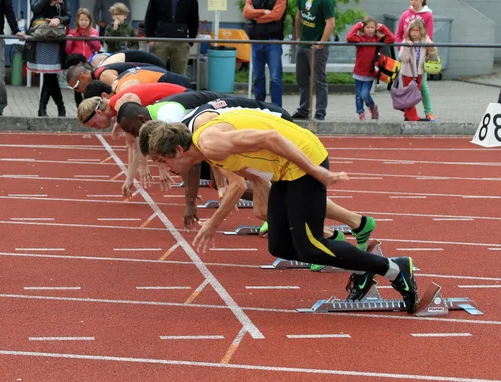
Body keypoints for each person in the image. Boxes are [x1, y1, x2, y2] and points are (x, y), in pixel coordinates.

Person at [140, 110, 419, 313]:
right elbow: (252, 172)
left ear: (178, 149)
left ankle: (395, 269)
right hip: (284, 171)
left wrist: (316, 171)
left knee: (311, 248)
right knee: (280, 244)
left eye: (165, 162)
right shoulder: (207, 151)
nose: (167, 170)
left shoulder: (211, 142)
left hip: (302, 159)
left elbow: (271, 137)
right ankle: (362, 267)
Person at [25, 0, 71, 118]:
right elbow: (35, 9)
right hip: (41, 37)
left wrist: (59, 19)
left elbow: (68, 16)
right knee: (49, 75)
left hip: (56, 38)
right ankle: (59, 108)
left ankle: (44, 109)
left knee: (50, 75)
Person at [292, 0, 335, 121]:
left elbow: (330, 23)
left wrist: (321, 43)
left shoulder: (326, 2)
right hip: (303, 44)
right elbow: (299, 15)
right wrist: (298, 37)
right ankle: (304, 109)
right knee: (302, 78)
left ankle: (320, 111)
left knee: (319, 79)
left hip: (317, 45)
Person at [346, 16, 395, 121]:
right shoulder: (359, 39)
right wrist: (358, 26)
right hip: (359, 71)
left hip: (370, 72)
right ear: (363, 28)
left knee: (364, 94)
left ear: (375, 28)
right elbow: (349, 37)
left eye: (372, 27)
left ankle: (372, 107)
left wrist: (383, 28)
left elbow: (392, 39)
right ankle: (361, 113)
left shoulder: (378, 39)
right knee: (358, 95)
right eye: (367, 27)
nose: (370, 29)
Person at [396, 0, 436, 122]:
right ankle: (410, 115)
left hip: (420, 60)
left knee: (421, 86)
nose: (413, 1)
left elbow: (428, 37)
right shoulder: (405, 14)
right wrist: (403, 49)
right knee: (410, 88)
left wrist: (428, 49)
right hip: (407, 58)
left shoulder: (428, 15)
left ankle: (428, 112)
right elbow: (398, 35)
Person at [243, 0, 286, 107]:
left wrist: (256, 17)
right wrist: (263, 11)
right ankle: (259, 107)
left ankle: (276, 108)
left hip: (273, 41)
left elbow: (276, 15)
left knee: (275, 78)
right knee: (258, 77)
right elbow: (246, 13)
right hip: (256, 41)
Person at [144, 0, 199, 76]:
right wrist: (150, 38)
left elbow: (194, 20)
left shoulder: (192, 1)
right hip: (160, 40)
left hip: (181, 42)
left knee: (179, 75)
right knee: (157, 72)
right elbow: (149, 17)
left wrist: (190, 40)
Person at [65, 8, 101, 108]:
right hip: (77, 63)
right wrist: (69, 41)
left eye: (86, 20)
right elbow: (68, 51)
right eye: (81, 20)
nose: (84, 22)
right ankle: (78, 106)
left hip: (88, 62)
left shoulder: (93, 32)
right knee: (77, 85)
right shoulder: (73, 32)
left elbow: (97, 47)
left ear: (90, 21)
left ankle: (88, 105)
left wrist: (94, 40)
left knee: (89, 83)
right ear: (77, 20)